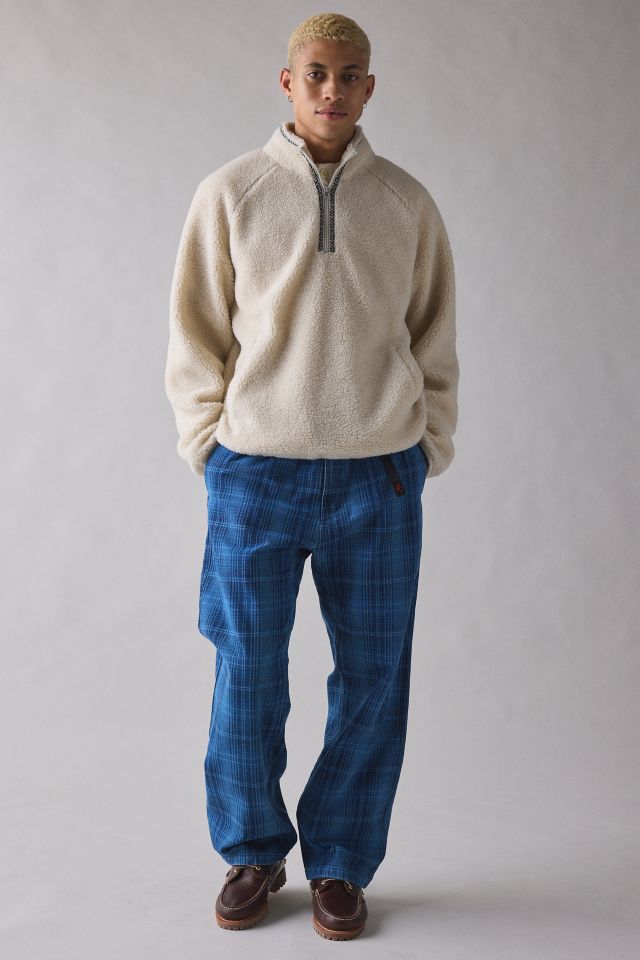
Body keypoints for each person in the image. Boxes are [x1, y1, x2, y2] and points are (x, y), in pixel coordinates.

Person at [165, 11, 459, 941]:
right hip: (256, 476)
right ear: (288, 83)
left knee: (373, 678)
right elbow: (196, 331)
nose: (334, 89)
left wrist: (426, 444)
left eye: (351, 74)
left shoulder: (406, 202)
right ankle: (252, 851)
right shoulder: (232, 193)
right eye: (317, 73)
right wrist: (211, 446)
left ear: (371, 87)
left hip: (381, 480)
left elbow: (434, 333)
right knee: (247, 671)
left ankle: (340, 861)